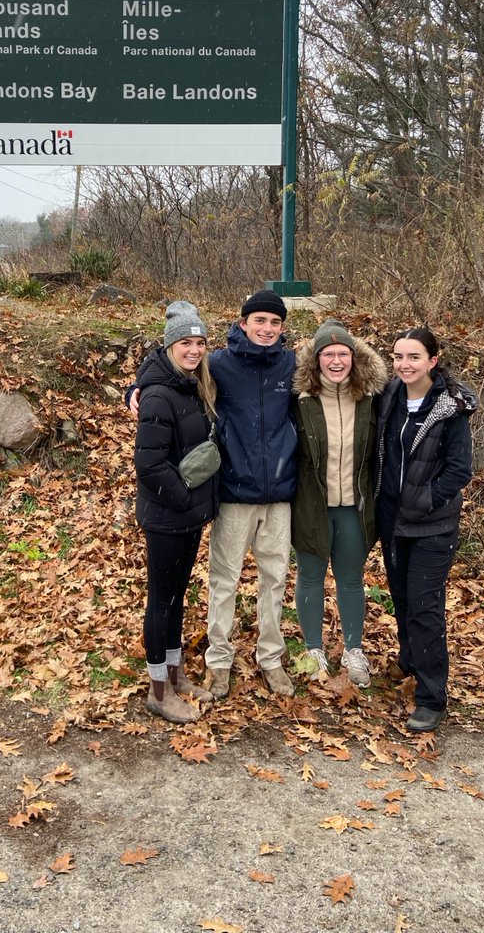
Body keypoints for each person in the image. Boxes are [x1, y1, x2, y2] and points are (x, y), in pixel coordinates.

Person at [132, 289, 298, 700]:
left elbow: (337, 375)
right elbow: (168, 371)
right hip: (233, 493)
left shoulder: (291, 365)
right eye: (259, 320)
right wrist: (134, 388)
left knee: (275, 581)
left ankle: (271, 659)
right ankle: (218, 662)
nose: (267, 329)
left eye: (275, 322)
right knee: (223, 581)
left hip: (279, 494)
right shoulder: (218, 364)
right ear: (243, 323)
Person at [374, 327, 478, 732]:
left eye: (413, 357)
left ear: (433, 361)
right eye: (398, 356)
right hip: (392, 521)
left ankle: (432, 696)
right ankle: (410, 659)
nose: (404, 364)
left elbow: (459, 470)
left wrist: (424, 499)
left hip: (432, 526)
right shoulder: (390, 397)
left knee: (424, 605)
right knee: (401, 597)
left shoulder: (450, 408)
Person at [134, 300, 219, 723]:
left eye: (200, 343)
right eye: (186, 342)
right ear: (170, 346)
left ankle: (175, 672)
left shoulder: (193, 386)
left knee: (176, 596)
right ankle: (158, 691)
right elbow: (149, 465)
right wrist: (185, 501)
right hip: (167, 516)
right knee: (160, 601)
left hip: (187, 516)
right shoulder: (158, 395)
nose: (194, 350)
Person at [291, 318, 387, 687]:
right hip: (313, 506)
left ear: (353, 358)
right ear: (315, 360)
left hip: (354, 509)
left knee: (350, 579)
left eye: (342, 354)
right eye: (327, 354)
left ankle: (353, 649)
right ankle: (313, 649)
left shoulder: (371, 399)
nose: (335, 361)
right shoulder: (300, 399)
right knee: (310, 576)